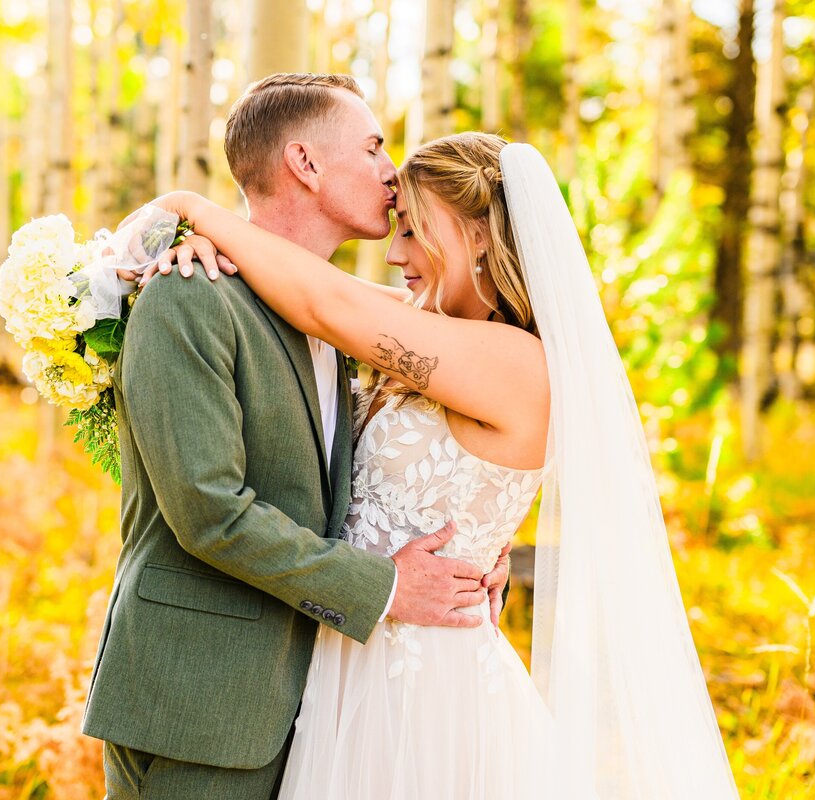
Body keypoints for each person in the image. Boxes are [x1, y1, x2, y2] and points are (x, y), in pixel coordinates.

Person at [147, 130, 740, 797]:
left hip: (421, 688)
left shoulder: (518, 363)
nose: (395, 254)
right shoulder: (428, 326)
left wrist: (189, 206)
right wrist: (197, 247)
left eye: (413, 230)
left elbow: (326, 303)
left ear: (479, 235)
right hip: (348, 657)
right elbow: (303, 283)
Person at [79, 74, 514, 800]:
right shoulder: (190, 296)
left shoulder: (350, 325)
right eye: (374, 146)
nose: (390, 171)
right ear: (306, 164)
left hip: (325, 706)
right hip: (200, 703)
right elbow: (210, 513)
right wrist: (388, 586)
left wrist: (474, 542)